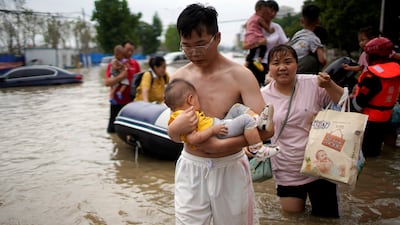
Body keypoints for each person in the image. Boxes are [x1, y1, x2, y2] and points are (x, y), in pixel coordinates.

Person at [168, 3, 274, 225]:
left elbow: (266, 129)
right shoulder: (179, 79)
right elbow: (175, 132)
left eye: (200, 45)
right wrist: (175, 131)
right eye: (186, 46)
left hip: (231, 167)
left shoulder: (240, 76)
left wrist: (221, 147)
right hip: (191, 167)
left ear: (216, 37)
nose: (193, 53)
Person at [259, 44, 343, 218]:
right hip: (285, 167)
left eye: (288, 62)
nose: (282, 67)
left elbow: (342, 102)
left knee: (327, 218)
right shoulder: (262, 95)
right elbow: (255, 128)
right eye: (276, 63)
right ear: (270, 68)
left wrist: (329, 85)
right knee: (293, 218)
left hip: (320, 164)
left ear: (297, 64)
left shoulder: (313, 83)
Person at [164, 78, 278, 160]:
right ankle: (257, 149)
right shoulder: (186, 116)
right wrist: (213, 131)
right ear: (190, 99)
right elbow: (193, 139)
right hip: (218, 131)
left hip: (219, 125)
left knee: (236, 108)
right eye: (198, 99)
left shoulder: (179, 115)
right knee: (246, 120)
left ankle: (259, 121)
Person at [351, 37, 400, 157]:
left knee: (363, 156)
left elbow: (359, 104)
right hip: (385, 118)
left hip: (369, 121)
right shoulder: (396, 73)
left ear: (370, 57)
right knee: (375, 153)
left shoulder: (371, 77)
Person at [243, 0, 288, 87]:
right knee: (254, 88)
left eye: (275, 11)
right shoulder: (254, 26)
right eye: (270, 11)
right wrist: (258, 43)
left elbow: (285, 45)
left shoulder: (277, 27)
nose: (272, 14)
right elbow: (245, 46)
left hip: (271, 64)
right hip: (255, 63)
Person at [105, 40, 141, 133]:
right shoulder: (113, 64)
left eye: (132, 51)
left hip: (131, 103)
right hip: (116, 102)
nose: (130, 53)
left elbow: (139, 82)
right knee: (112, 130)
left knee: (129, 131)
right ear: (121, 50)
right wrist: (121, 77)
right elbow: (107, 83)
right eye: (128, 50)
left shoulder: (135, 64)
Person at [289, 4, 326, 74]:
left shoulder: (297, 34)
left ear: (302, 20)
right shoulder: (314, 38)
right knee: (312, 60)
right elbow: (322, 60)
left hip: (289, 66)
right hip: (299, 69)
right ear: (318, 20)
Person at [244, 0, 275, 72]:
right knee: (263, 47)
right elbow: (266, 28)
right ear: (259, 10)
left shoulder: (250, 18)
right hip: (257, 36)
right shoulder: (259, 19)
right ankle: (259, 60)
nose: (264, 14)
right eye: (264, 12)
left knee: (252, 51)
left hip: (249, 37)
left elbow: (246, 25)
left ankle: (246, 63)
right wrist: (271, 31)